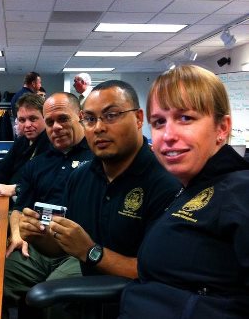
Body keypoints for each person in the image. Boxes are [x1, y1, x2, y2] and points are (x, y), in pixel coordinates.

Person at [16, 80, 181, 317]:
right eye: (90, 119)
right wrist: (38, 236)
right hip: (90, 296)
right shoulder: (80, 177)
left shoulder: (167, 183)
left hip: (141, 306)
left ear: (138, 118)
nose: (98, 128)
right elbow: (65, 247)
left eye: (111, 115)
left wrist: (91, 252)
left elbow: (158, 274)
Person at [119, 65, 249, 319]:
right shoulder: (194, 187)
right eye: (158, 122)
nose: (168, 135)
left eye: (185, 118)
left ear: (222, 128)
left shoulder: (240, 193)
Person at [3, 92, 93, 315]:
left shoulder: (97, 157)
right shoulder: (37, 164)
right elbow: (18, 208)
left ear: (79, 116)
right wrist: (16, 236)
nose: (56, 127)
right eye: (50, 122)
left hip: (79, 251)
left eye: (63, 119)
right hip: (39, 246)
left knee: (53, 295)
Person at [0, 93, 50, 199]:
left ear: (45, 118)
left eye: (33, 119)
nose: (27, 125)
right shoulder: (22, 141)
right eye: (22, 120)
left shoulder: (51, 144)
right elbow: (3, 168)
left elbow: (46, 183)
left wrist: (16, 188)